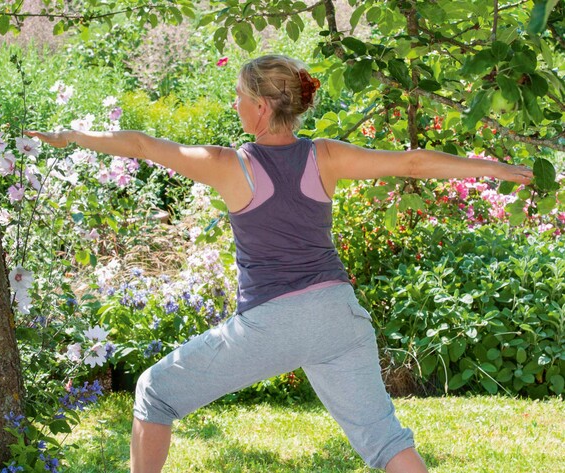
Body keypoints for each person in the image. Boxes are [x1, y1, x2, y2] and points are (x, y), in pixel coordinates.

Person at [26, 55, 533, 472]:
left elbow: (139, 144)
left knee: (155, 392)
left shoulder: (229, 165)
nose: (236, 105)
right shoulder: (326, 156)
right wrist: (504, 169)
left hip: (279, 319)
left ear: (263, 108)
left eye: (241, 97)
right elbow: (413, 162)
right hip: (340, 315)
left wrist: (71, 137)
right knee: (385, 442)